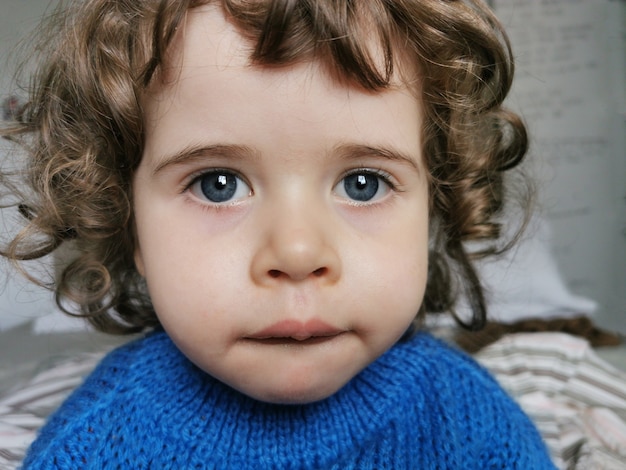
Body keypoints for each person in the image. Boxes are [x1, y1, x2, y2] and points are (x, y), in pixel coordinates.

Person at [1, 0, 556, 467]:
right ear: (128, 221)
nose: (297, 252)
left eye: (363, 184)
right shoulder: (94, 446)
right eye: (217, 185)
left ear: (434, 206)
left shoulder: (471, 426)